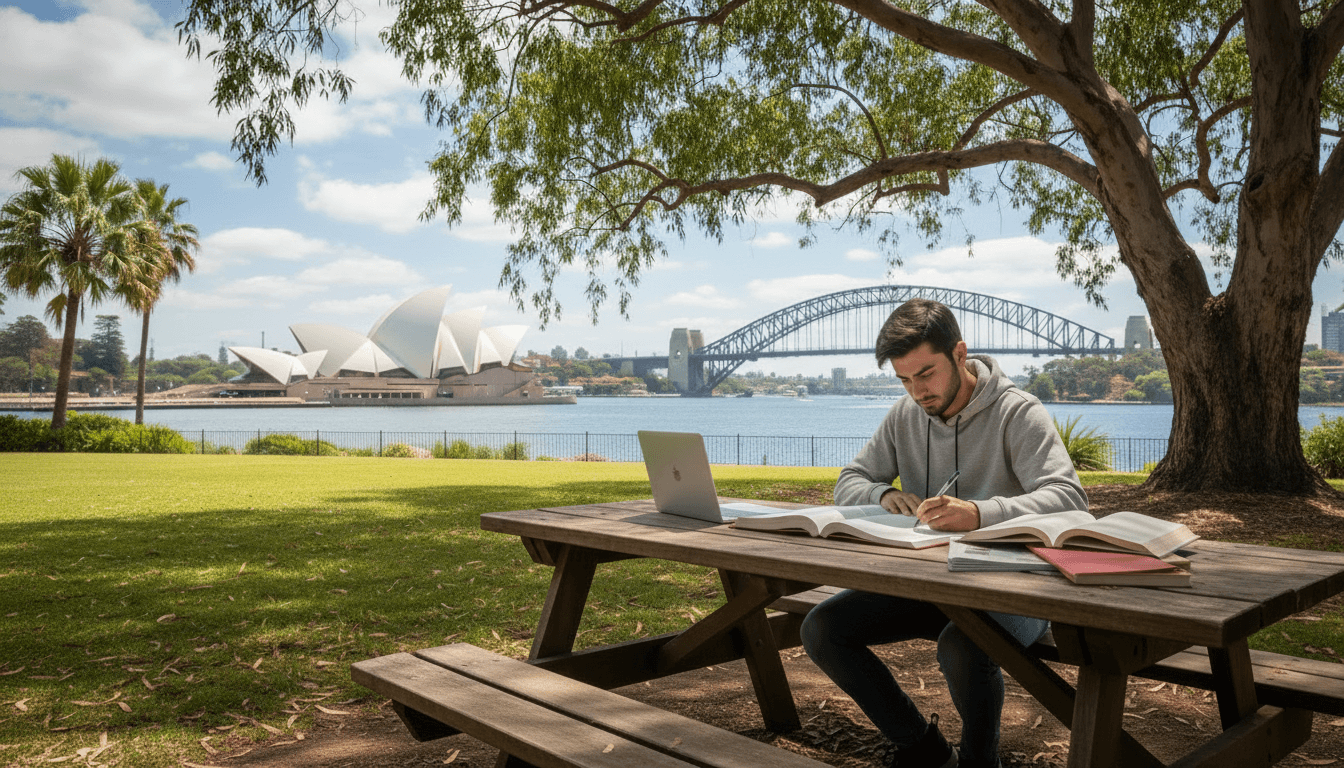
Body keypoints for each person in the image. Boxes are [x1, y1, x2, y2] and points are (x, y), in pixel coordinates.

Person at [800, 298, 1087, 768]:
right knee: (822, 628)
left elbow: (1070, 499)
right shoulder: (905, 415)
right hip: (930, 583)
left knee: (964, 643)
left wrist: (980, 513)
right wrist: (880, 495)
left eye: (926, 374)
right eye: (904, 379)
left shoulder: (1018, 412)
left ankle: (979, 763)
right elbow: (848, 481)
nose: (917, 391)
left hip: (1018, 590)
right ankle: (925, 751)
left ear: (959, 353)